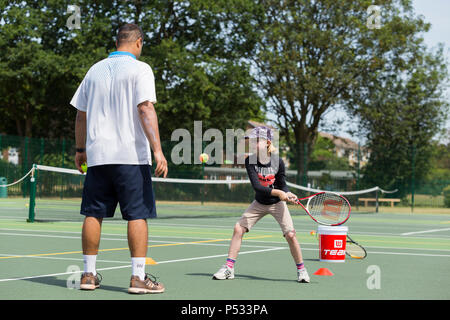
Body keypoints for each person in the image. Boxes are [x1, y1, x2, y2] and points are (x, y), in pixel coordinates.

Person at [70, 23, 168, 294]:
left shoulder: (94, 70)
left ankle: (88, 276)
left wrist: (80, 150)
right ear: (138, 42)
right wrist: (158, 150)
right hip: (131, 157)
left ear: (117, 42)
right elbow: (145, 107)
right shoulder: (141, 68)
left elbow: (81, 114)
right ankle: (137, 278)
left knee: (93, 213)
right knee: (137, 214)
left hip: (99, 157)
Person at [213, 126, 310, 283]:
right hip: (259, 202)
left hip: (277, 205)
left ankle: (302, 270)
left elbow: (282, 184)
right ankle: (229, 269)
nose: (252, 143)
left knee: (291, 235)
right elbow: (257, 187)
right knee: (238, 228)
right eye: (251, 141)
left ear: (267, 143)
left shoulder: (278, 162)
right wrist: (279, 193)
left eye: (256, 140)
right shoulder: (249, 161)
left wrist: (287, 193)